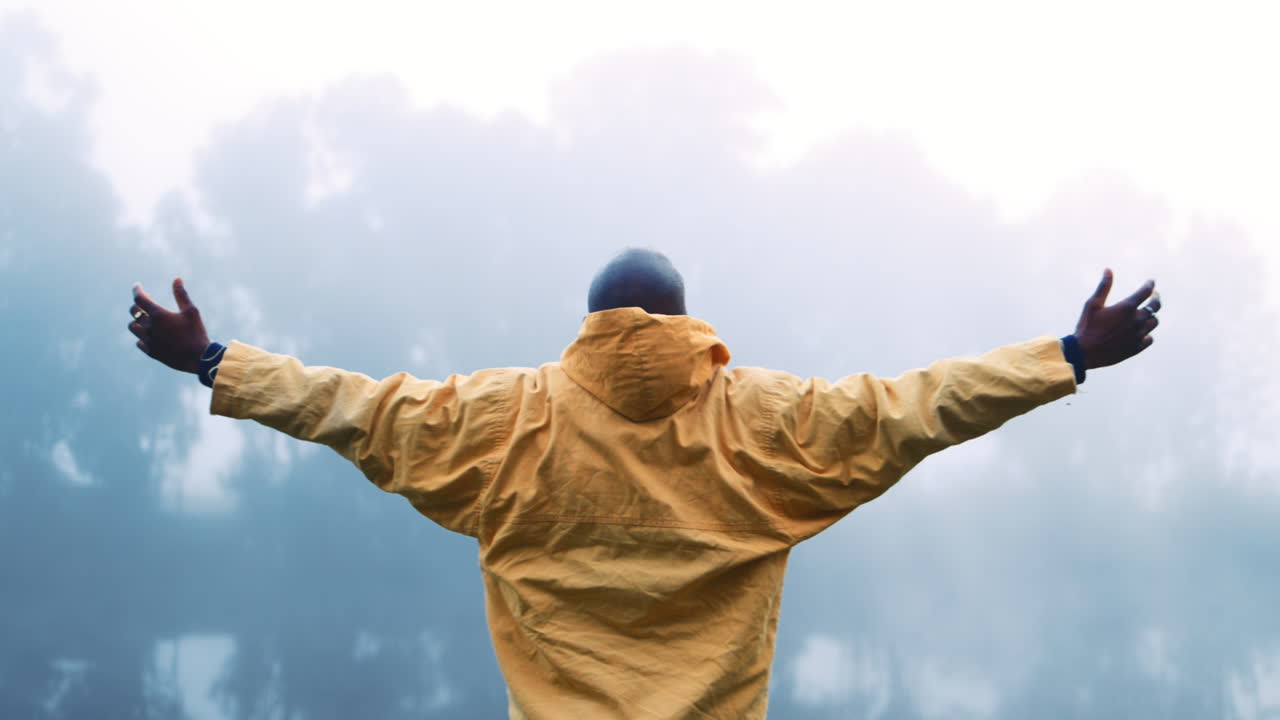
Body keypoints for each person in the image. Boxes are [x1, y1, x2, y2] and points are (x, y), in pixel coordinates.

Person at [127, 249, 1160, 719]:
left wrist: (216, 360)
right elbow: (919, 405)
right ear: (683, 321)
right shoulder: (769, 422)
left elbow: (348, 406)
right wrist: (1065, 352)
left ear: (588, 321)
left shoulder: (502, 419)